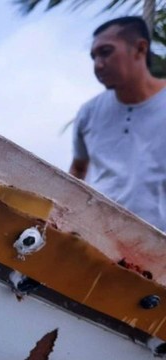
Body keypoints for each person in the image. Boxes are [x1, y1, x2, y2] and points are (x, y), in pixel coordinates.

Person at [70, 16, 166, 232]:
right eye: (93, 57)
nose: (97, 65)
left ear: (140, 49)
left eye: (106, 52)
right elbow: (78, 169)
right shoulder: (88, 113)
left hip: (158, 247)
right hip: (94, 237)